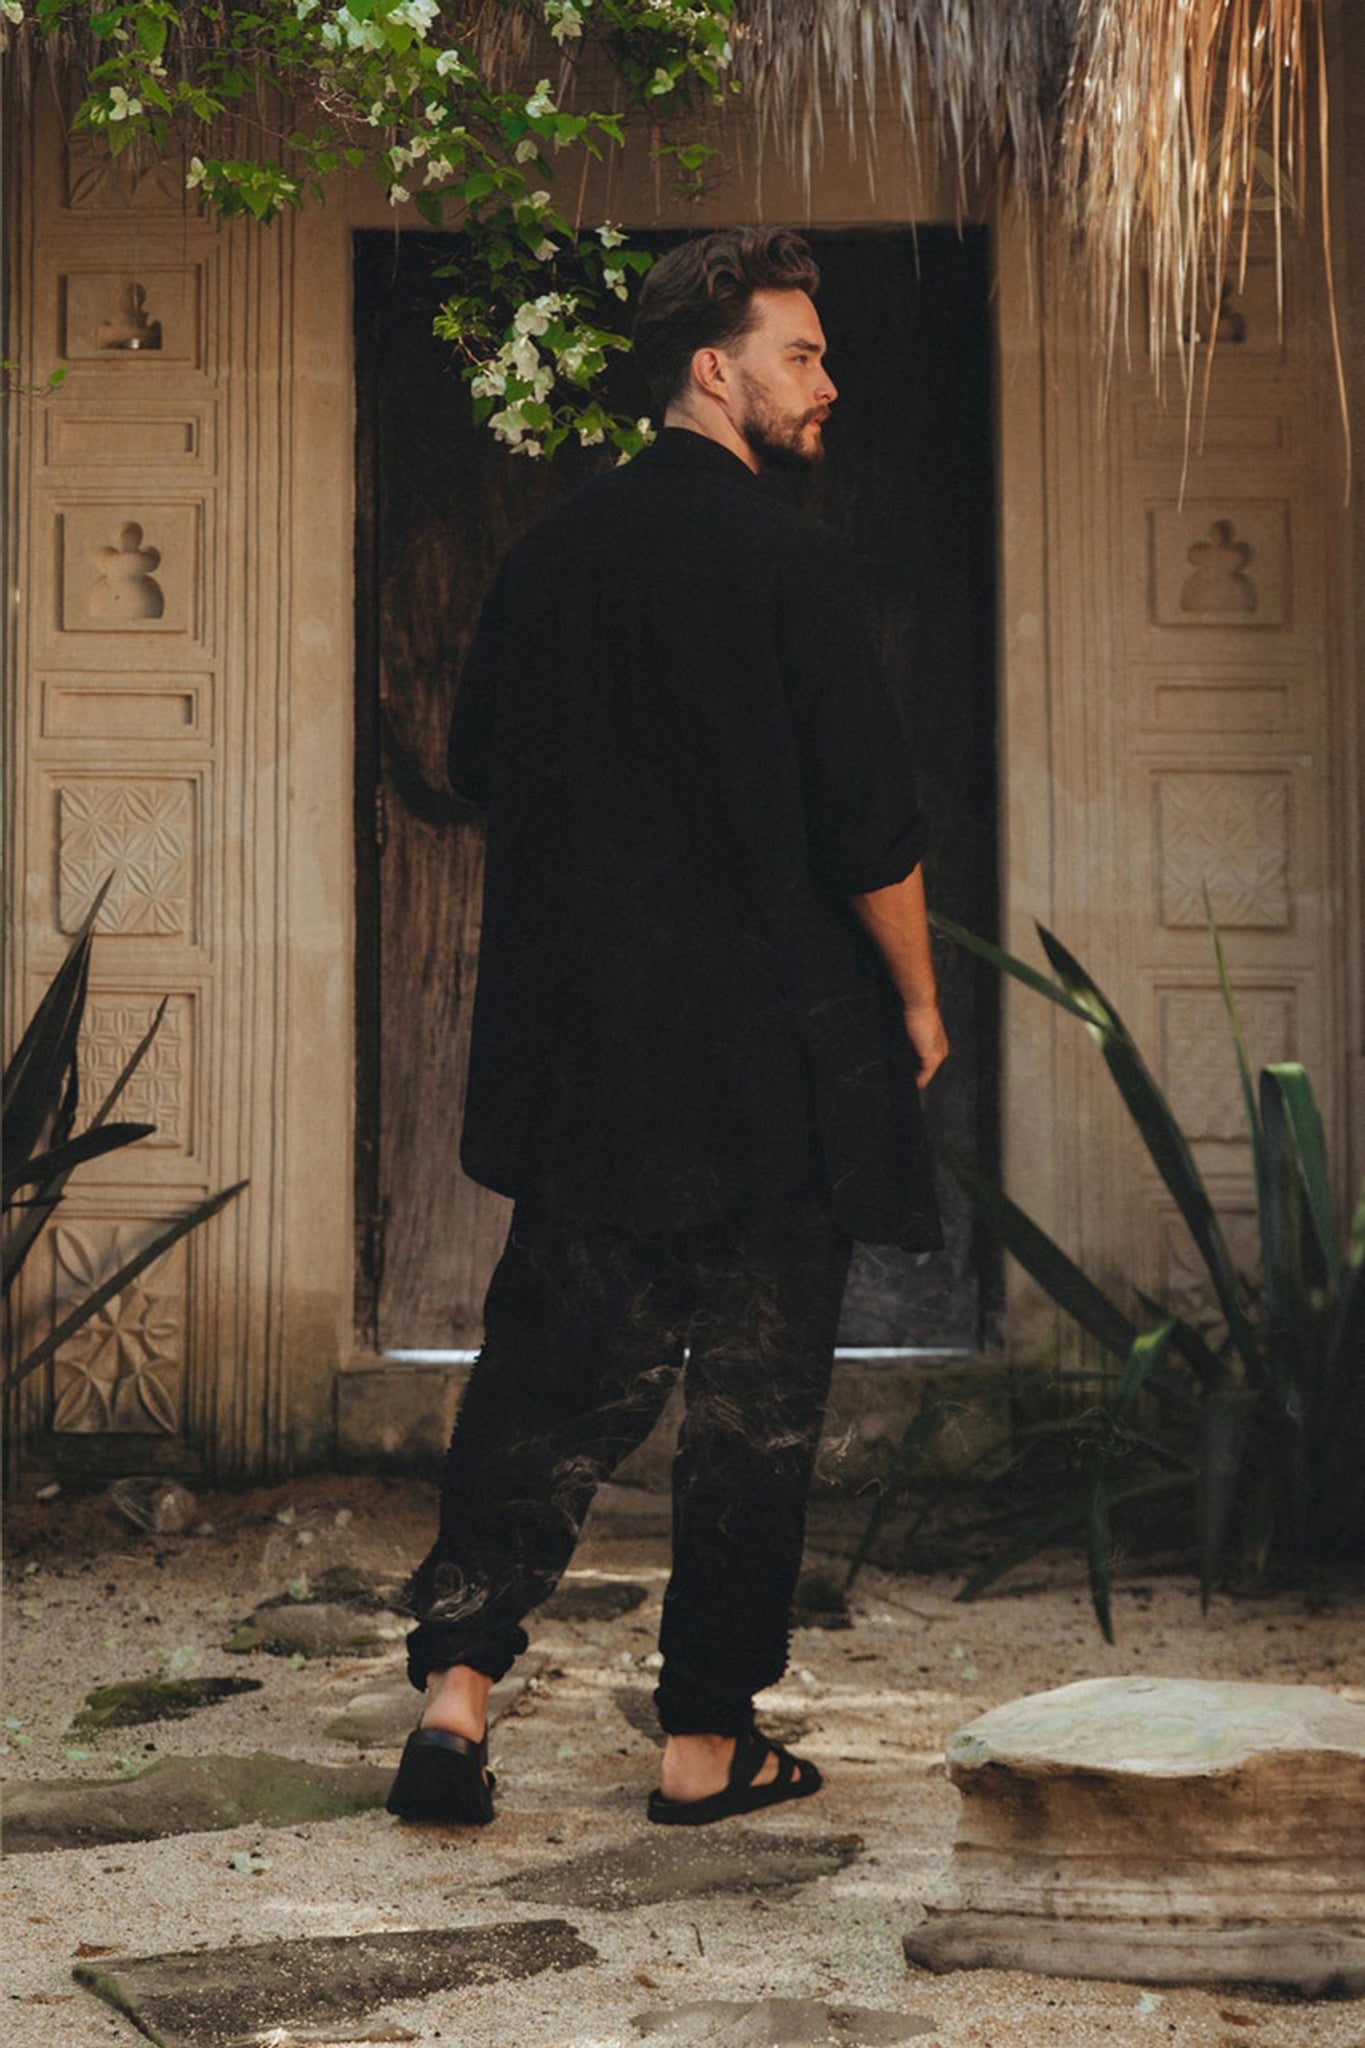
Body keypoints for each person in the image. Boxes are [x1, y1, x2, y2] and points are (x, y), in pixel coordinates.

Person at [387, 227, 948, 1830]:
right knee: (753, 1406)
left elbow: (479, 768)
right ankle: (703, 1747)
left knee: (541, 1373)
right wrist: (913, 998)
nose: (826, 384)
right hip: (770, 1053)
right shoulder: (793, 563)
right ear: (717, 370)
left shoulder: (548, 557)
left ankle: (456, 1696)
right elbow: (869, 833)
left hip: (589, 1053)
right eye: (802, 356)